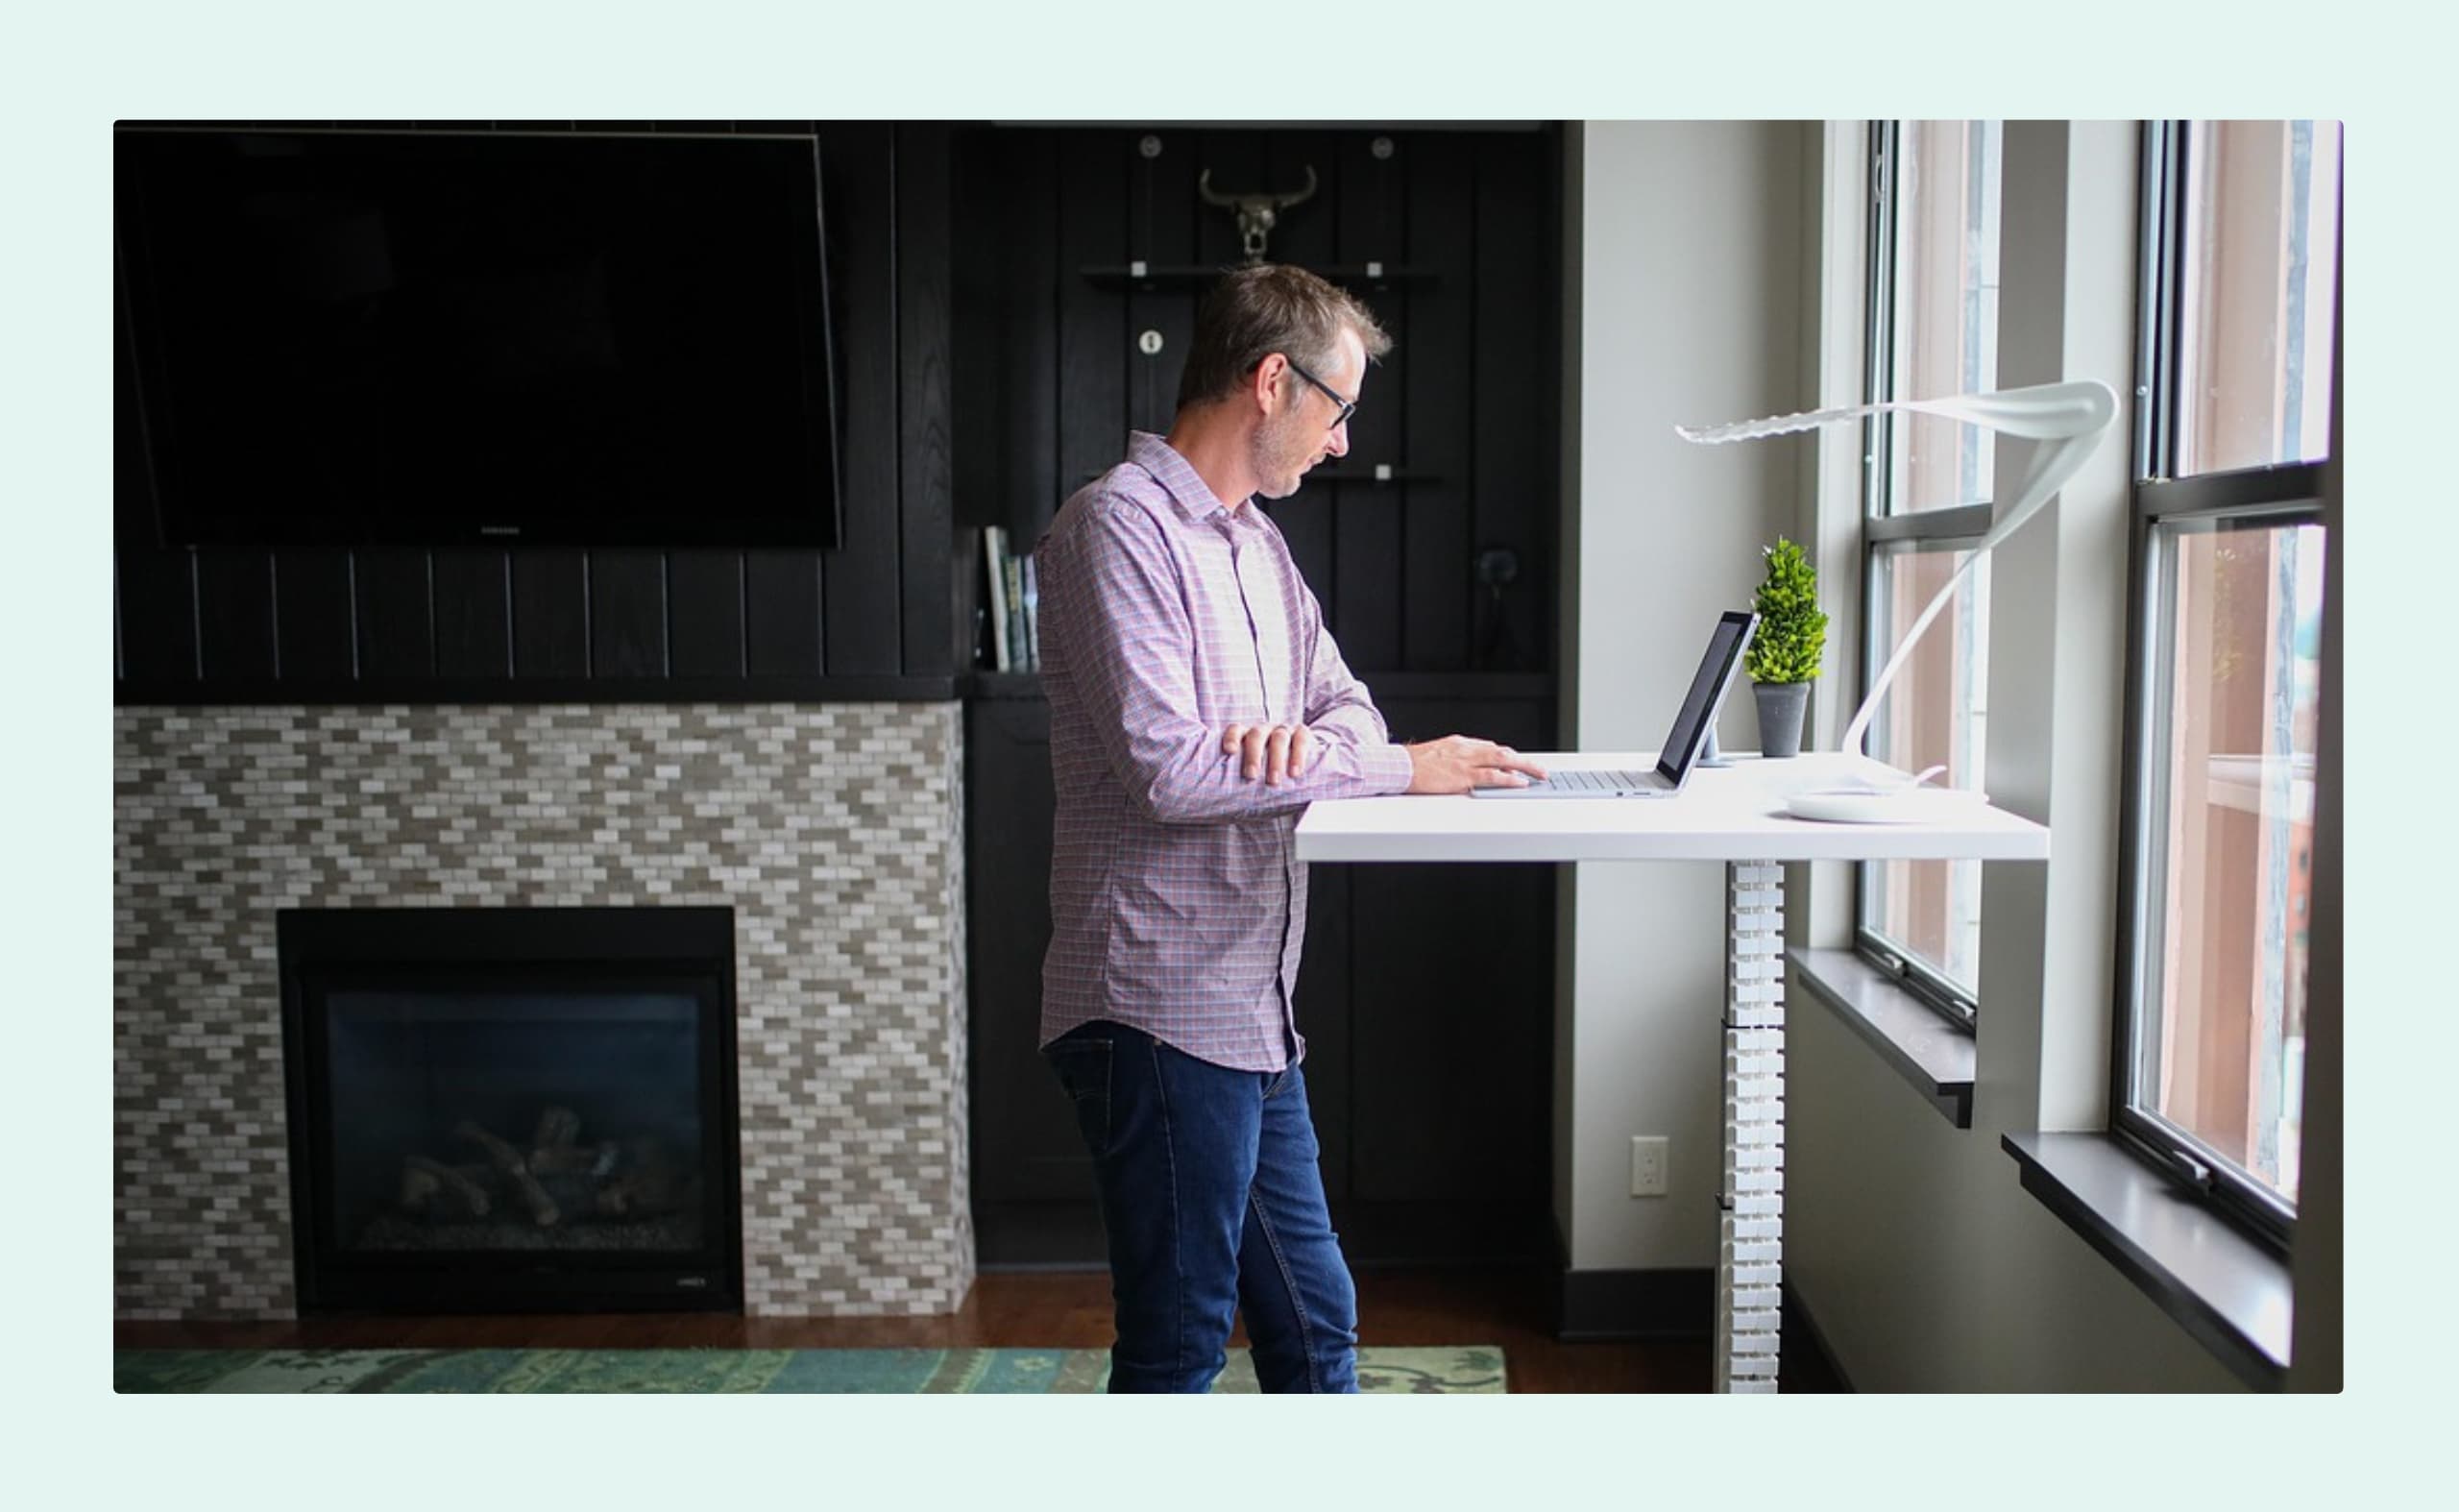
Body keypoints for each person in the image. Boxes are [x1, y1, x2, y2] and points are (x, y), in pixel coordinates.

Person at [1031, 264, 1548, 1393]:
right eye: (1338, 406)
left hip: (1251, 1006)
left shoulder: (1254, 545)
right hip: (1155, 1005)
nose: (1343, 438)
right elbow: (1172, 767)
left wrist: (1303, 746)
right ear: (1273, 380)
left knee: (1314, 1322)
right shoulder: (1113, 530)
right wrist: (1388, 768)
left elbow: (1345, 701)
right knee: (1177, 1340)